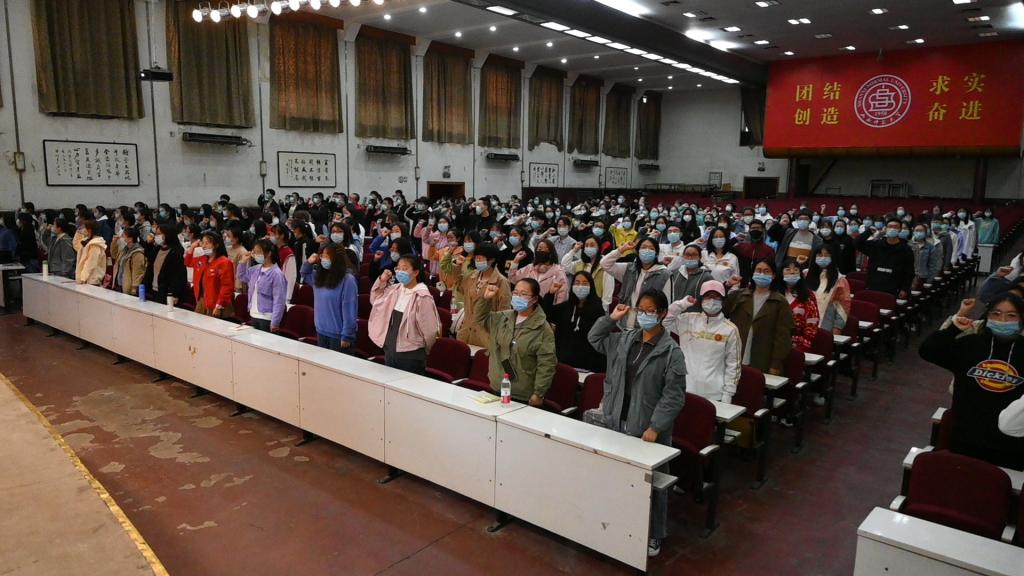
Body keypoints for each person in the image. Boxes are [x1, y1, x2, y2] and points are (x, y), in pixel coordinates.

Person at [587, 291, 686, 558]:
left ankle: (654, 533)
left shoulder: (671, 352)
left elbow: (673, 396)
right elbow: (594, 338)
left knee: (651, 483)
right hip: (616, 417)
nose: (644, 315)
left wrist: (655, 427)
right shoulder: (625, 339)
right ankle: (617, 523)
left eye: (650, 310)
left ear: (662, 313)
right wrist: (611, 319)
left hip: (647, 428)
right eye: (640, 309)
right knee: (617, 476)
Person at [919, 296, 1024, 471]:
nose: (1003, 320)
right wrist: (954, 327)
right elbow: (928, 351)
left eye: (1011, 315)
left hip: (1011, 446)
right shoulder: (970, 344)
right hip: (964, 439)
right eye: (996, 314)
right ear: (987, 316)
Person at [475, 278, 557, 405]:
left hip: (522, 395)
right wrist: (485, 300)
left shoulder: (542, 328)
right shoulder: (503, 317)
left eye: (523, 294)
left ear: (534, 299)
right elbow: (481, 319)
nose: (518, 297)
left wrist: (538, 393)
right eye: (516, 293)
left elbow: (547, 364)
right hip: (497, 387)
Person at [666, 281, 740, 403]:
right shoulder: (688, 320)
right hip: (684, 388)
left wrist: (728, 394)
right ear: (701, 299)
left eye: (716, 297)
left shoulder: (730, 329)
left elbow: (733, 365)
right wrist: (681, 304)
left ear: (723, 300)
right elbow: (665, 321)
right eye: (708, 296)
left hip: (713, 393)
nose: (712, 300)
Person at [369, 255, 441, 375]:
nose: (400, 271)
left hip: (411, 355)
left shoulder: (422, 297)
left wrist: (425, 350)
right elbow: (375, 300)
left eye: (405, 268)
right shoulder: (395, 289)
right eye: (398, 268)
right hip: (390, 349)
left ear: (416, 272)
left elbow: (430, 331)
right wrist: (382, 280)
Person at [724, 259, 794, 375]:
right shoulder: (739, 295)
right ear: (753, 273)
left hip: (762, 358)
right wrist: (726, 286)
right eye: (758, 270)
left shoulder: (780, 301)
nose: (762, 274)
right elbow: (719, 310)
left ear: (773, 275)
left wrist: (775, 363)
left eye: (766, 271)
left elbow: (783, 336)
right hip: (734, 354)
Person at [440, 242, 511, 348]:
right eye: (476, 258)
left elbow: (505, 312)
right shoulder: (473, 276)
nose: (477, 261)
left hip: (485, 335)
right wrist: (457, 266)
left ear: (491, 260)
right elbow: (460, 286)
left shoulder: (501, 282)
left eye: (480, 258)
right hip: (466, 332)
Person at [601, 237, 672, 329]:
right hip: (625, 324)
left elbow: (667, 305)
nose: (647, 250)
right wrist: (621, 250)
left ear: (656, 254)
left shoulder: (664, 274)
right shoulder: (629, 269)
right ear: (638, 252)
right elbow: (604, 263)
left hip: (648, 327)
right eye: (643, 247)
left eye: (651, 248)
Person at [300, 243, 358, 352]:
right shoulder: (319, 276)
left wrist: (347, 335)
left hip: (338, 335)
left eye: (327, 256)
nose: (323, 259)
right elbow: (304, 273)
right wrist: (309, 262)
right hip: (321, 331)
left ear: (336, 258)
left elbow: (350, 309)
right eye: (322, 256)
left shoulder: (348, 280)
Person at [550, 271, 607, 372]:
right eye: (577, 283)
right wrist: (550, 294)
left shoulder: (597, 309)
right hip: (563, 359)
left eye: (585, 283)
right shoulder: (566, 307)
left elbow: (599, 337)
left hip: (587, 363)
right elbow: (547, 314)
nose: (580, 286)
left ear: (591, 286)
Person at [855, 217, 915, 299]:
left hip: (894, 288)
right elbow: (857, 243)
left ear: (900, 230)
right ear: (885, 229)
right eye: (890, 226)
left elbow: (909, 271)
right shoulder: (876, 245)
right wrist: (868, 232)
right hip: (874, 285)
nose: (892, 229)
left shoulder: (906, 249)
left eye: (896, 227)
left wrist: (905, 289)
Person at [239, 239, 288, 333]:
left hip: (267, 317)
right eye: (254, 252)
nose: (255, 255)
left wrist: (275, 322)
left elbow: (279, 301)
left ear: (269, 253)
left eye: (258, 252)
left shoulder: (277, 274)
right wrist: (242, 262)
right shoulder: (255, 269)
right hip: (253, 314)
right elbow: (242, 277)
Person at [509, 238, 568, 314]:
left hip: (546, 311)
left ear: (551, 252)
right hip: (525, 308)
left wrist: (555, 314)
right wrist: (516, 261)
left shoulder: (558, 272)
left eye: (546, 250)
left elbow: (562, 296)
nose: (542, 252)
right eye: (539, 249)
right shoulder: (529, 268)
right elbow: (513, 278)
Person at [185, 231, 235, 318]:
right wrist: (192, 247)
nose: (203, 246)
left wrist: (219, 305)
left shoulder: (224, 262)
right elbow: (187, 262)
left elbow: (227, 286)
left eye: (207, 243)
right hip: (201, 301)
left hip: (216, 304)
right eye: (202, 243)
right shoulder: (202, 259)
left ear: (216, 245)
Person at [805, 246, 851, 334]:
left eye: (826, 255)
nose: (823, 258)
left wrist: (837, 327)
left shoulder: (840, 280)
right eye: (819, 255)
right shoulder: (805, 274)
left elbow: (843, 306)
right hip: (804, 322)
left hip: (825, 324)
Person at [561, 236, 615, 310]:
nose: (589, 248)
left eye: (592, 245)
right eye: (586, 245)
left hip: (597, 305)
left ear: (599, 247)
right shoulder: (581, 263)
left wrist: (604, 308)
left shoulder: (605, 264)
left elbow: (608, 290)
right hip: (579, 304)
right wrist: (574, 250)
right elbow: (564, 264)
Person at [779, 257, 819, 353]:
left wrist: (801, 347)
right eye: (788, 269)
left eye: (796, 270)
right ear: (781, 273)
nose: (792, 272)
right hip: (775, 342)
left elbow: (812, 323)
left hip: (798, 345)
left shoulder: (808, 295)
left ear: (800, 274)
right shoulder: (774, 293)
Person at [144, 224, 188, 306]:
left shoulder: (176, 251)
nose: (156, 236)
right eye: (156, 234)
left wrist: (175, 293)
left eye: (159, 234)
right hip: (153, 288)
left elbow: (179, 275)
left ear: (168, 234)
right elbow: (149, 259)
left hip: (166, 292)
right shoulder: (157, 248)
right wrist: (149, 244)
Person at [733, 219, 775, 287]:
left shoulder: (769, 250)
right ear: (749, 230)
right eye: (753, 228)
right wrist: (734, 239)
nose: (755, 230)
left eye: (758, 228)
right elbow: (725, 249)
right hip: (742, 284)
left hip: (760, 284)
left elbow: (771, 269)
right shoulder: (741, 247)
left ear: (763, 230)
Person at [110, 227, 147, 296]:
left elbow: (138, 272)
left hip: (128, 285)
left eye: (123, 235)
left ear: (130, 239)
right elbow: (114, 255)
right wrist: (114, 242)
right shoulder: (125, 249)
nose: (121, 237)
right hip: (119, 282)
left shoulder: (138, 253)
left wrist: (134, 288)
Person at [908, 223, 944, 291]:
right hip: (909, 277)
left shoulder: (930, 247)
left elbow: (932, 265)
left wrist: (930, 280)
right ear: (913, 232)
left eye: (921, 231)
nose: (919, 232)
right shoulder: (908, 245)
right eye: (917, 230)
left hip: (923, 277)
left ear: (925, 233)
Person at [74, 220, 107, 286]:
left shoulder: (95, 244)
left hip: (91, 280)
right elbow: (76, 246)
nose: (83, 229)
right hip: (84, 279)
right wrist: (78, 234)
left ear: (89, 230)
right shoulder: (87, 241)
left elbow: (91, 263)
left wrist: (83, 278)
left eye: (84, 228)